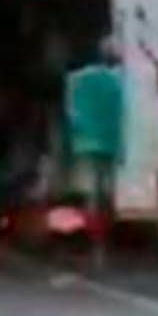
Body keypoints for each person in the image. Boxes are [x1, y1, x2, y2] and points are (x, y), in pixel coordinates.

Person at [64, 39, 124, 264]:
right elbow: (121, 116)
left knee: (91, 194)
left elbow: (71, 112)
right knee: (107, 193)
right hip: (109, 142)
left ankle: (94, 243)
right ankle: (105, 238)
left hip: (85, 143)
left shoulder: (78, 79)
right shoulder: (118, 82)